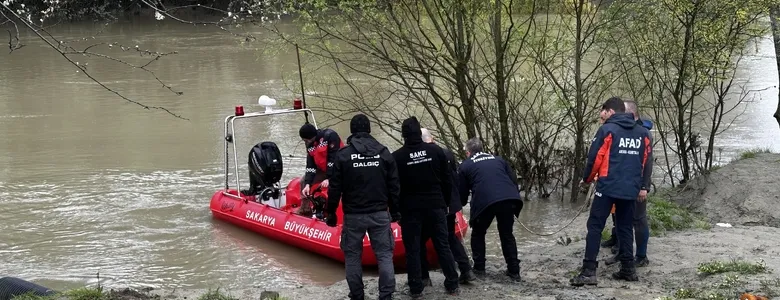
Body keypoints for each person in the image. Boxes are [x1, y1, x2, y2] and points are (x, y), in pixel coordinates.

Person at [570, 97, 652, 286]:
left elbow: (595, 157)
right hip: (630, 188)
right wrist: (642, 186)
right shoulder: (643, 133)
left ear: (610, 111)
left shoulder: (607, 130)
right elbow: (645, 161)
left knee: (595, 227)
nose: (601, 115)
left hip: (607, 187)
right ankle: (628, 269)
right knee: (624, 227)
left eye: (603, 111)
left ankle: (589, 271)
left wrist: (587, 178)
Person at [325, 114, 401, 300]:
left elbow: (335, 188)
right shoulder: (383, 153)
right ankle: (386, 294)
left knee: (352, 256)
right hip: (380, 213)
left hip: (353, 215)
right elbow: (394, 185)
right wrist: (396, 210)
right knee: (384, 254)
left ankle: (357, 295)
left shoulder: (343, 156)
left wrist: (331, 213)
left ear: (352, 131)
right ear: (369, 130)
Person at [392, 117, 460, 297]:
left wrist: (396, 211)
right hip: (435, 205)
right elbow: (447, 181)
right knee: (442, 244)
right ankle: (452, 283)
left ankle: (416, 288)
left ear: (404, 135)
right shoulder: (436, 151)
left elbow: (394, 187)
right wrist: (445, 203)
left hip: (411, 210)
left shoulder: (397, 157)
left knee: (413, 248)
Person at [458, 137, 523, 282]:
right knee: (507, 234)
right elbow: (513, 180)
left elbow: (461, 193)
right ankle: (514, 271)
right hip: (509, 198)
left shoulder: (465, 165)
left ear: (468, 153)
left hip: (485, 201)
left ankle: (479, 268)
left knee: (478, 233)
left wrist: (459, 205)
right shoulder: (499, 160)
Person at [418, 128, 477, 286]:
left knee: (420, 240)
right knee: (450, 237)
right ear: (433, 138)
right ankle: (466, 270)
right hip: (450, 203)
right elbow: (454, 179)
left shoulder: (424, 156)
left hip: (434, 205)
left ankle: (424, 277)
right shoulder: (447, 153)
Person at [604, 99, 653, 267]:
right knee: (619, 219)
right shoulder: (619, 129)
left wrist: (643, 187)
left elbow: (647, 162)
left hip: (636, 185)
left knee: (638, 219)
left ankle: (641, 256)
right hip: (620, 184)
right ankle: (622, 252)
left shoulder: (643, 132)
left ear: (631, 114)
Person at [298, 123, 344, 216]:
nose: (305, 142)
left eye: (306, 140)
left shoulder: (330, 136)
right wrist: (308, 183)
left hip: (340, 169)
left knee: (337, 184)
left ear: (311, 136)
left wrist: (329, 178)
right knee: (303, 181)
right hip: (323, 169)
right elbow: (310, 166)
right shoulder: (310, 145)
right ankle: (305, 209)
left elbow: (334, 159)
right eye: (304, 140)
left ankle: (339, 211)